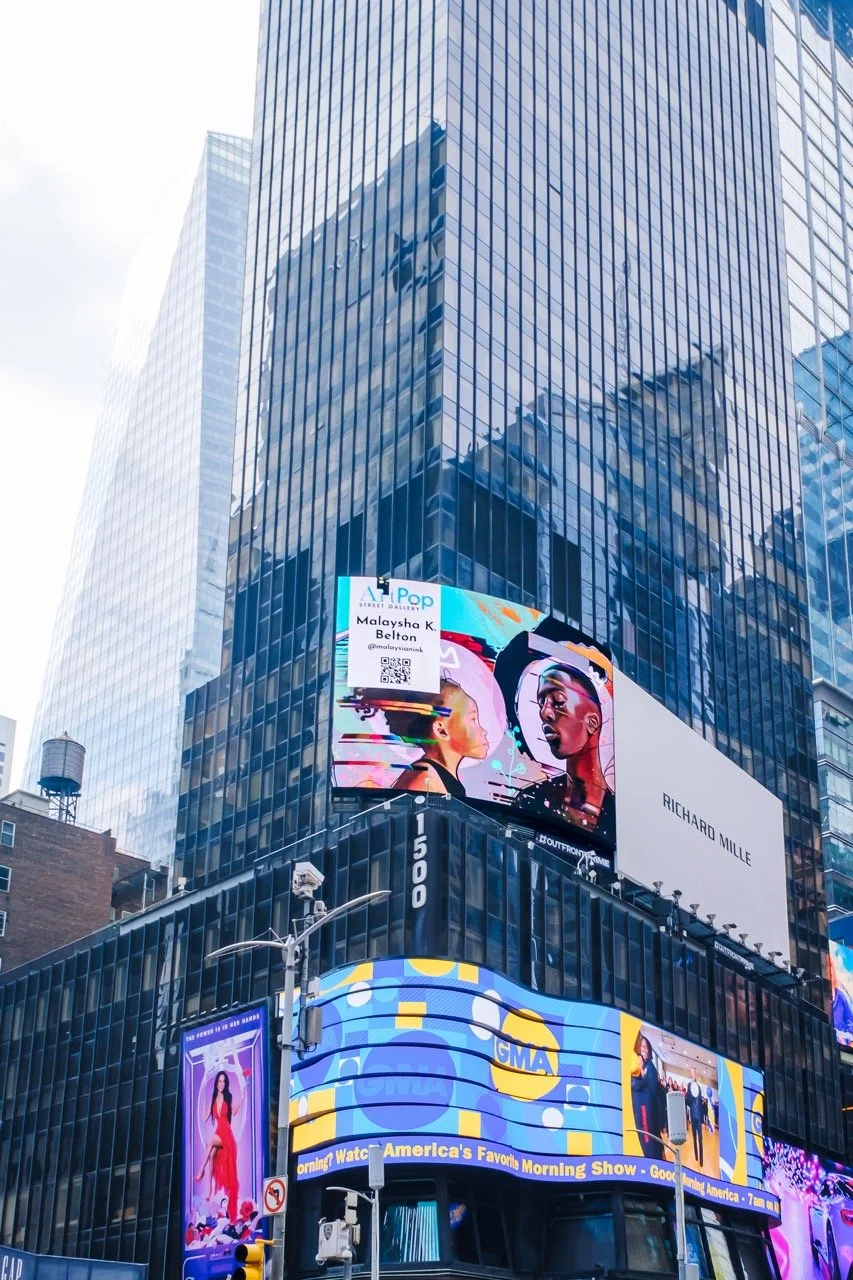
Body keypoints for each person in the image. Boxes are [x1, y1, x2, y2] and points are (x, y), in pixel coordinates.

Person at [515, 664, 615, 840]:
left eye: (558, 701)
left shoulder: (618, 819)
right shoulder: (531, 798)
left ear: (592, 722)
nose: (544, 713)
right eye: (541, 702)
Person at [386, 677, 489, 796]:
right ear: (441, 730)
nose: (483, 731)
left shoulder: (436, 776)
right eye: (473, 720)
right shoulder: (425, 779)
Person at [195, 1070, 242, 1222]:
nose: (221, 1084)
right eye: (219, 1081)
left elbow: (234, 1112)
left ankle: (200, 1170)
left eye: (223, 1081)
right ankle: (208, 1191)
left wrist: (244, 1093)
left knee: (210, 1143)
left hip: (226, 1136)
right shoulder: (213, 1099)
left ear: (225, 1083)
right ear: (216, 1083)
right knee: (211, 1156)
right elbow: (204, 1117)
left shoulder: (229, 1097)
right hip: (218, 1133)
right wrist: (202, 1098)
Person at [631, 1034, 663, 1159]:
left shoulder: (650, 1068)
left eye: (646, 1047)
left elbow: (653, 1092)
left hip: (651, 1113)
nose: (643, 1049)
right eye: (641, 1046)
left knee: (651, 1142)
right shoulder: (643, 1067)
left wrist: (642, 1080)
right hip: (648, 1114)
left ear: (649, 1051)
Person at [686, 1069, 705, 1168]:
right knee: (694, 1137)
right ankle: (696, 1156)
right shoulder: (689, 1086)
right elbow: (688, 1101)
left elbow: (701, 1105)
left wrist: (702, 1119)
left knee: (700, 1138)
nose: (693, 1073)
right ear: (690, 1074)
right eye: (691, 1072)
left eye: (694, 1072)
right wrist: (686, 1096)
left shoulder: (699, 1086)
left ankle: (701, 1161)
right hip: (693, 1115)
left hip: (698, 1115)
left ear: (695, 1074)